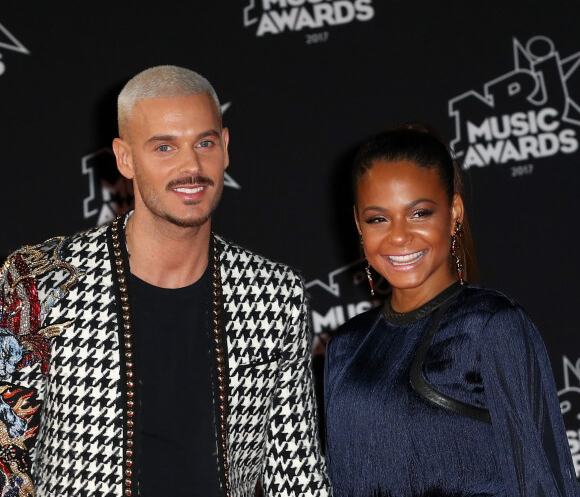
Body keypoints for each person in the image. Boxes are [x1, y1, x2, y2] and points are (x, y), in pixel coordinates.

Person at [0, 65, 332, 497]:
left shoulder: (274, 294)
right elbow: (7, 460)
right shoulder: (40, 281)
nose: (191, 166)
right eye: (164, 147)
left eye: (205, 143)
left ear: (225, 147)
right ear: (125, 158)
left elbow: (298, 476)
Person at [324, 124, 579, 496]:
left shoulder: (491, 325)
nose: (398, 236)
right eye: (378, 218)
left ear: (454, 213)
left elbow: (543, 482)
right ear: (358, 224)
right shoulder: (345, 347)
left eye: (419, 213)